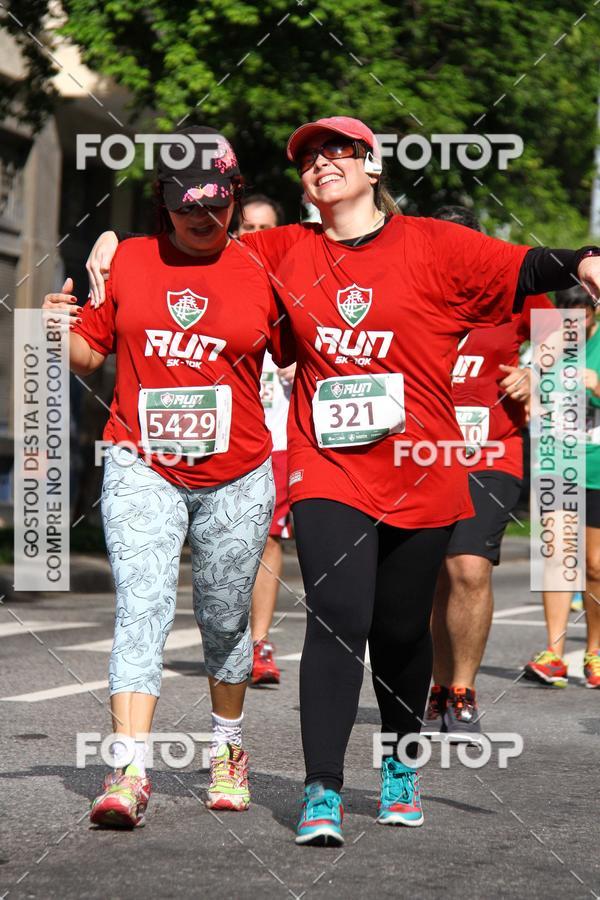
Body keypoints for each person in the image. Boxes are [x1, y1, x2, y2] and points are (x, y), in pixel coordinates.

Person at [85, 116, 600, 846]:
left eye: (339, 152)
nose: (323, 163)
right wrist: (114, 241)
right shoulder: (280, 250)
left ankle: (398, 766)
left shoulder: (433, 243)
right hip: (328, 466)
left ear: (372, 165)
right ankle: (321, 787)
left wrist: (584, 259)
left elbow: (520, 268)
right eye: (310, 158)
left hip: (420, 469)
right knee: (337, 615)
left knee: (399, 631)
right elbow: (185, 244)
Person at [43, 127, 293, 827]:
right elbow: (91, 354)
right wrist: (55, 327)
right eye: (187, 203)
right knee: (142, 607)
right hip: (140, 461)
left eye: (215, 203)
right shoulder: (127, 260)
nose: (201, 216)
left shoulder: (262, 269)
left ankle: (228, 748)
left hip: (239, 471)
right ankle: (127, 770)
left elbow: (304, 354)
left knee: (222, 621)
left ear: (235, 198)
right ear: (164, 199)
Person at [423, 205, 555, 741]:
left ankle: (463, 689)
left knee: (469, 567)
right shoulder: (412, 286)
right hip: (421, 455)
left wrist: (533, 368)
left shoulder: (514, 290)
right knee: (431, 574)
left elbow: (560, 335)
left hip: (491, 451)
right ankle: (434, 687)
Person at [524, 286, 600, 689]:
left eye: (584, 312)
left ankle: (594, 651)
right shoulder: (543, 343)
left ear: (594, 313)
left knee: (594, 566)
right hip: (556, 462)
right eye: (568, 311)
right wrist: (529, 398)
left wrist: (596, 385)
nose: (576, 320)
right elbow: (521, 388)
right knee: (556, 555)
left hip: (597, 469)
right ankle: (553, 652)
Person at [235, 195, 295, 685]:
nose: (254, 235)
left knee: (268, 536)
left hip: (276, 433)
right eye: (246, 226)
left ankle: (258, 643)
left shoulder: (293, 282)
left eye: (264, 228)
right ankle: (226, 635)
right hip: (222, 432)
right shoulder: (218, 276)